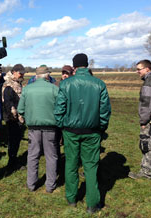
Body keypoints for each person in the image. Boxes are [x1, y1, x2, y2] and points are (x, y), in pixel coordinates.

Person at [54, 53, 111, 214]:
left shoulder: (66, 84)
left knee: (71, 164)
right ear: (86, 65)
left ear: (74, 66)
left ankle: (72, 198)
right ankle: (92, 204)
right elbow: (105, 111)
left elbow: (59, 109)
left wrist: (62, 126)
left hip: (71, 131)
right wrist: (101, 128)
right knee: (91, 166)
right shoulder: (99, 84)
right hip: (92, 132)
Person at [17, 65, 59, 193]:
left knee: (33, 155)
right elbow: (60, 108)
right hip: (51, 127)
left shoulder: (27, 89)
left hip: (33, 128)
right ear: (47, 75)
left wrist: (27, 117)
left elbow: (20, 109)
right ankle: (50, 185)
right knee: (51, 156)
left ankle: (31, 184)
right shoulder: (54, 89)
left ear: (36, 76)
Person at [2, 64, 26, 169]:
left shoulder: (17, 83)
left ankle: (13, 160)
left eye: (23, 73)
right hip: (13, 119)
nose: (22, 75)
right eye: (20, 73)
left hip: (18, 118)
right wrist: (17, 117)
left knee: (16, 140)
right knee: (13, 141)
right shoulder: (8, 84)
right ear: (14, 72)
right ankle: (11, 163)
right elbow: (8, 103)